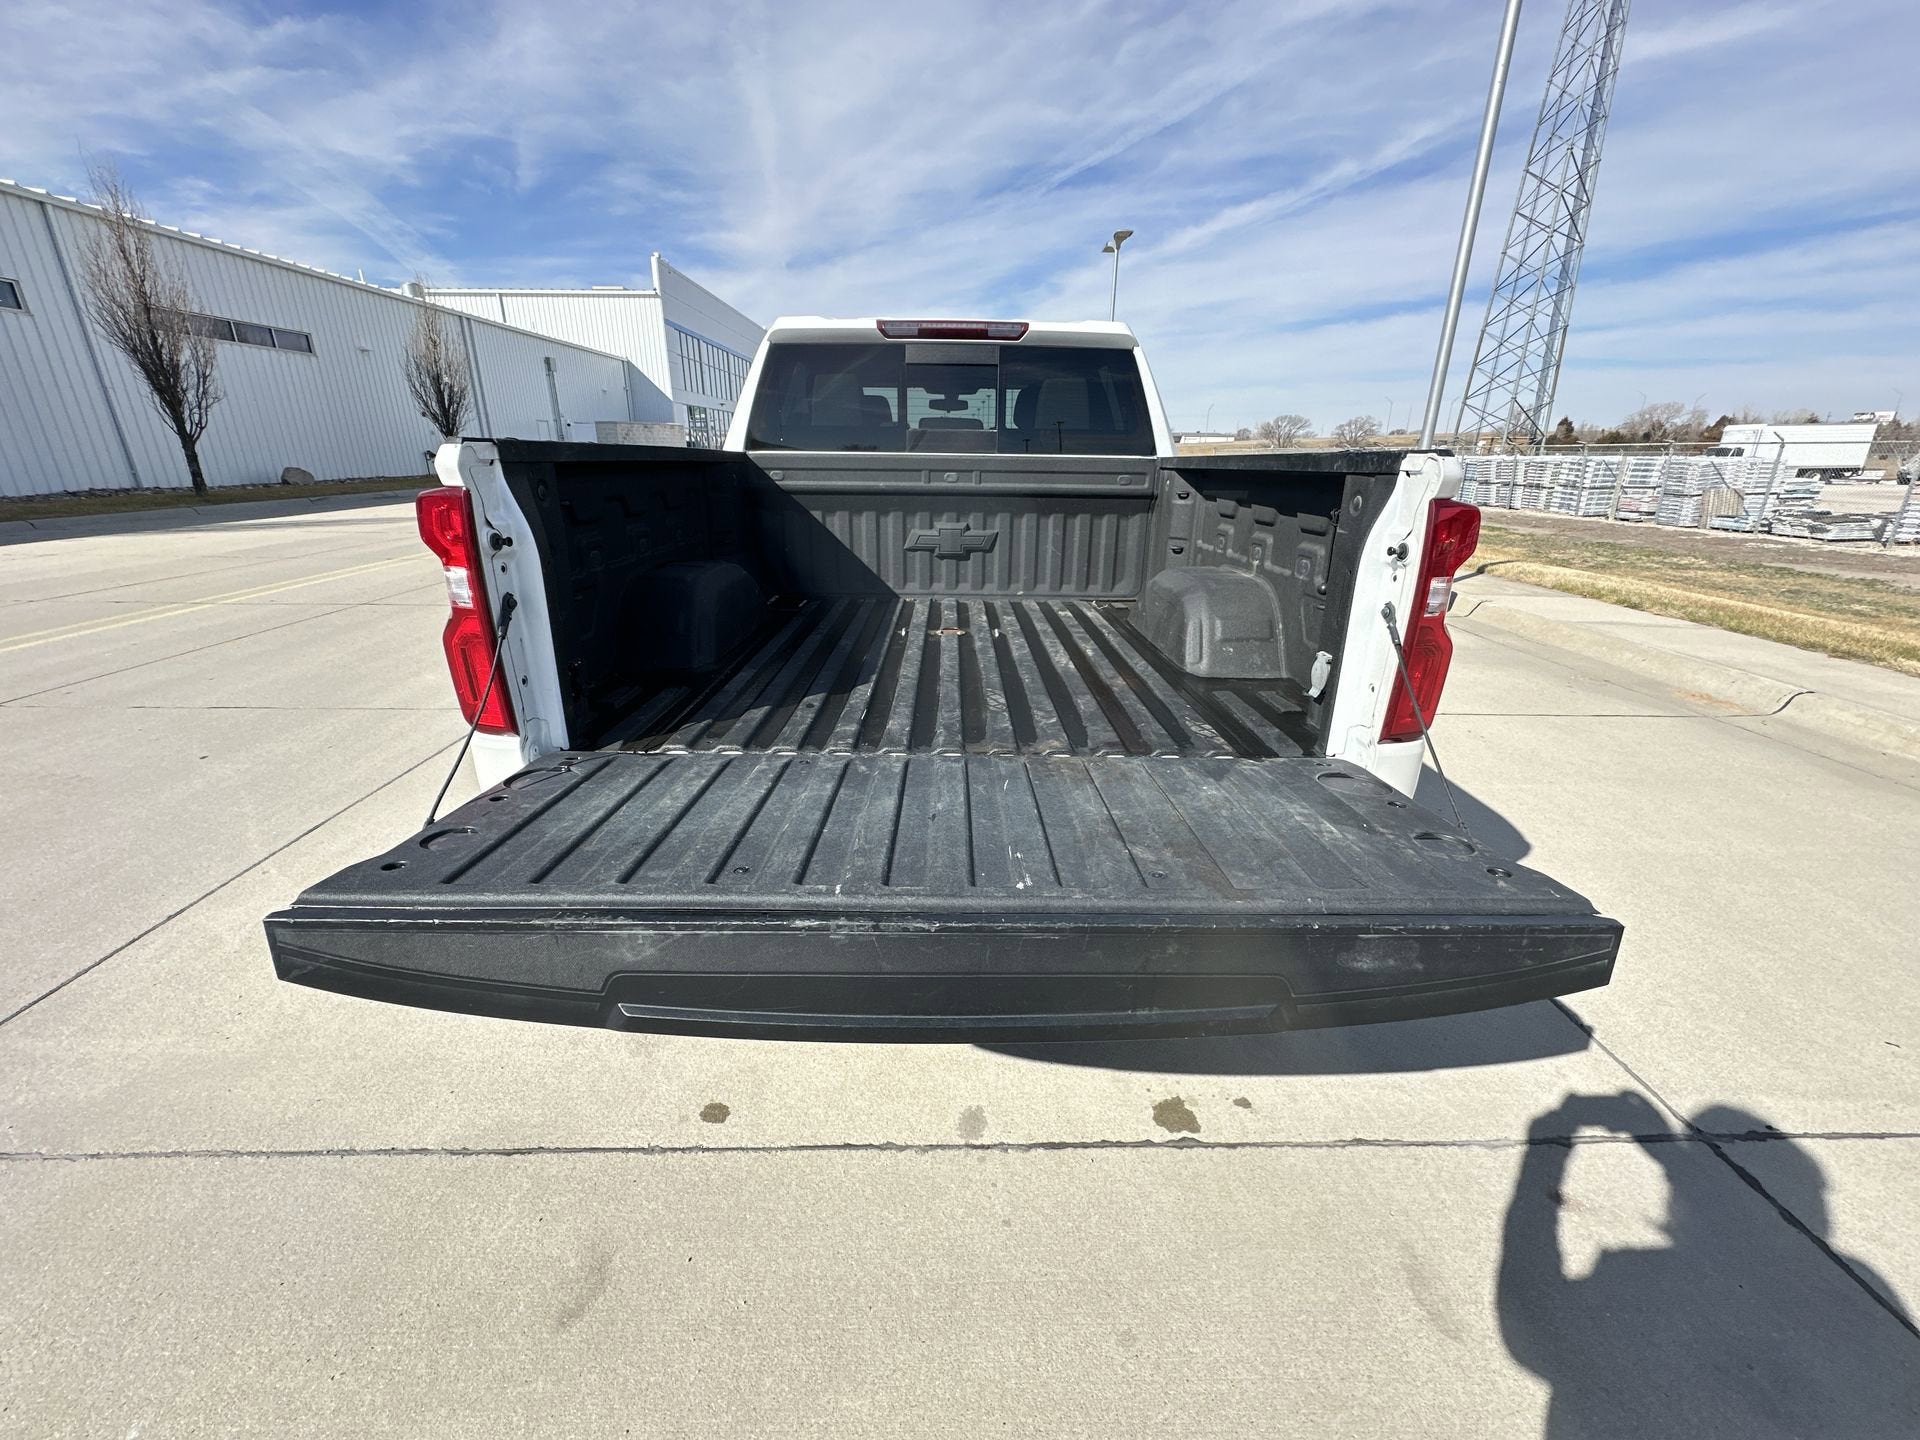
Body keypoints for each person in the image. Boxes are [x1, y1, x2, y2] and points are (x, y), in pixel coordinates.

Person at [1498, 1092, 1918, 1438]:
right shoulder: (1851, 1286)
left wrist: (1548, 1142)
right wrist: (1678, 1166)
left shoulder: (1633, 1280)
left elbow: (1531, 1321)